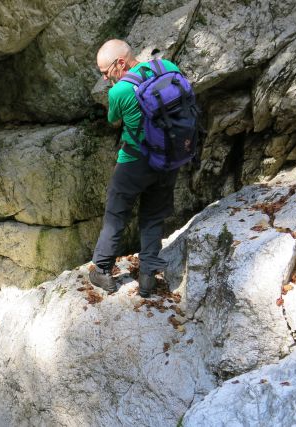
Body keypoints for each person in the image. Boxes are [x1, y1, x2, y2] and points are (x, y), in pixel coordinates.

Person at [89, 39, 180, 297]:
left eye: (106, 72)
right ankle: (148, 277)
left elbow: (112, 119)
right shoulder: (167, 67)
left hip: (135, 161)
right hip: (168, 158)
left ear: (120, 63)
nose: (105, 78)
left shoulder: (119, 92)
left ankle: (103, 270)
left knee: (116, 214)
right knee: (153, 215)